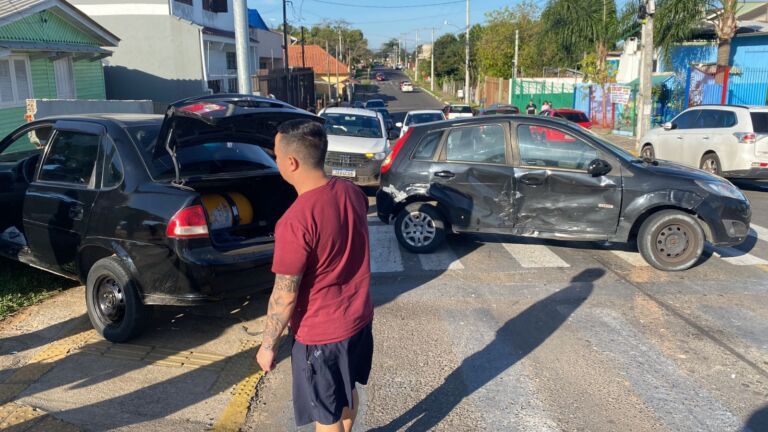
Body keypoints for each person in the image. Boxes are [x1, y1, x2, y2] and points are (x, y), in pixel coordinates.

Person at [256, 119, 374, 432]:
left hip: (321, 334)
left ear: (291, 163)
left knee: (326, 414)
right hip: (359, 319)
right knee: (347, 391)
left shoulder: (295, 222)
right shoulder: (352, 192)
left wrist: (267, 346)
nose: (275, 161)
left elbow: (284, 294)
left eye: (276, 156)